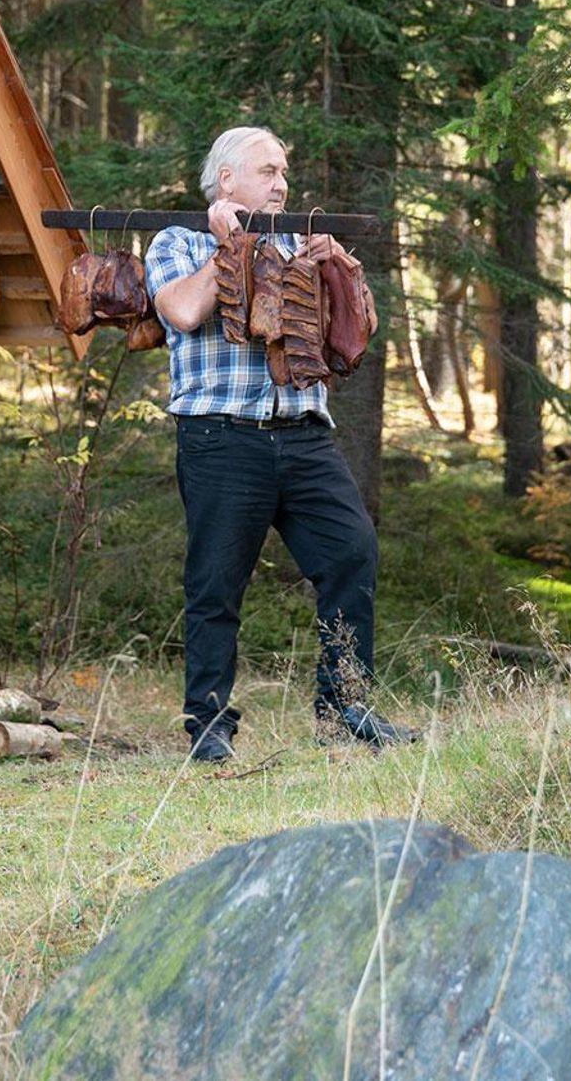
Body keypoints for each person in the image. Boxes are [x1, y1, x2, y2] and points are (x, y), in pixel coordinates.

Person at [144, 124, 416, 763]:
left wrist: (337, 268)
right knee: (216, 583)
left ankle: (345, 711)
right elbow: (182, 312)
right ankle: (209, 726)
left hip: (304, 435)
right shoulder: (178, 241)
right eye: (268, 171)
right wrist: (229, 247)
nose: (282, 184)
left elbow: (350, 332)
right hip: (220, 437)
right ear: (227, 180)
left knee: (352, 552)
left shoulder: (298, 244)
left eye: (284, 172)